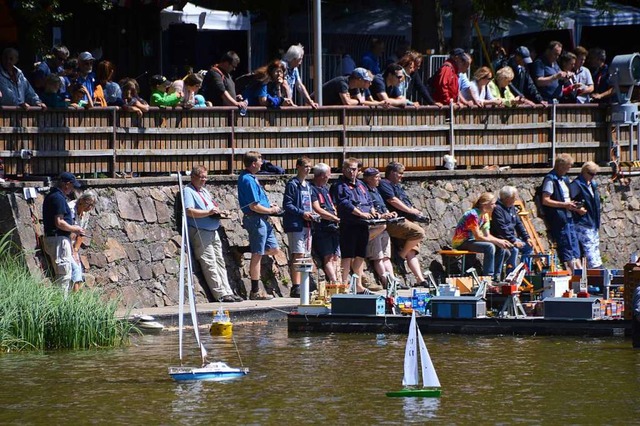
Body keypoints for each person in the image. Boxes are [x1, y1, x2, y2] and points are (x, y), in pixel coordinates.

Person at [183, 165, 242, 303]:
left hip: (213, 230)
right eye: (201, 177)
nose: (204, 180)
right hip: (200, 231)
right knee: (209, 262)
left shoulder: (204, 191)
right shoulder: (188, 191)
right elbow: (189, 211)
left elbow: (211, 208)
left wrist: (220, 213)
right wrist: (208, 213)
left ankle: (228, 291)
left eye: (205, 177)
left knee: (220, 261)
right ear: (193, 177)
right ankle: (220, 294)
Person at [237, 151, 281, 300]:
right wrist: (270, 210)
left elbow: (259, 202)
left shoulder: (252, 178)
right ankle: (255, 291)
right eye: (260, 161)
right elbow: (254, 206)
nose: (262, 163)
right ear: (254, 163)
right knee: (258, 254)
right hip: (255, 218)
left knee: (273, 249)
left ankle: (242, 250)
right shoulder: (247, 180)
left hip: (262, 218)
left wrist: (269, 205)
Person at [378, 161, 429, 287]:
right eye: (400, 173)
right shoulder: (384, 184)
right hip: (395, 222)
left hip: (405, 221)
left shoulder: (398, 186)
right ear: (391, 173)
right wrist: (410, 210)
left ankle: (420, 279)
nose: (402, 176)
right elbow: (392, 200)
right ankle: (400, 256)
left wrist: (417, 214)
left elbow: (406, 202)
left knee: (411, 251)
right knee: (419, 233)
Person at [330, 158, 375, 294]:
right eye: (349, 168)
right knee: (347, 255)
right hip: (348, 224)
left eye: (354, 169)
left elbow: (368, 200)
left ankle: (358, 284)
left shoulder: (361, 184)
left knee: (360, 255)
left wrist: (372, 211)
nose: (351, 171)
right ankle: (343, 284)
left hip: (363, 224)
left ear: (358, 170)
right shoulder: (339, 185)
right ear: (343, 169)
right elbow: (344, 204)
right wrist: (360, 213)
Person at [452, 192, 512, 281]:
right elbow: (478, 236)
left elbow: (487, 235)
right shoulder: (473, 215)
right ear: (485, 205)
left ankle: (496, 277)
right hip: (462, 242)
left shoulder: (485, 216)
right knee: (490, 247)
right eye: (492, 204)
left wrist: (500, 241)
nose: (495, 206)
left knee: (503, 249)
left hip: (472, 240)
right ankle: (488, 277)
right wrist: (496, 241)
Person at [42, 172, 85, 294]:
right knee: (63, 276)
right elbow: (59, 222)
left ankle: (61, 305)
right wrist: (74, 229)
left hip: (56, 239)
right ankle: (61, 307)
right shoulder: (58, 198)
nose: (72, 189)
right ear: (66, 184)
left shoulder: (53, 196)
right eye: (72, 186)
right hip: (58, 240)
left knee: (64, 274)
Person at [541, 153, 583, 273]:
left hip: (569, 216)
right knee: (566, 245)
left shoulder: (564, 179)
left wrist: (574, 206)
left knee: (574, 245)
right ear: (560, 166)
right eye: (567, 167)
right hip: (559, 218)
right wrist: (565, 205)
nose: (569, 169)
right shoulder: (550, 179)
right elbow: (546, 200)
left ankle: (580, 273)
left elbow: (566, 197)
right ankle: (573, 273)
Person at [282, 157, 316, 298]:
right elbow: (287, 204)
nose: (307, 169)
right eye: (305, 166)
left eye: (309, 167)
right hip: (296, 224)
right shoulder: (293, 184)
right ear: (298, 167)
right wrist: (302, 213)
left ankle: (304, 283)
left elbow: (312, 203)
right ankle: (295, 285)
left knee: (306, 254)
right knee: (298, 254)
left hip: (307, 224)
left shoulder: (308, 185)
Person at [362, 167, 397, 291]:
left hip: (384, 225)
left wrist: (388, 213)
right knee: (378, 256)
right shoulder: (365, 191)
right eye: (377, 177)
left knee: (386, 255)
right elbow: (371, 210)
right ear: (370, 178)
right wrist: (382, 216)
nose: (379, 179)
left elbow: (382, 206)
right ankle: (385, 280)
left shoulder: (376, 190)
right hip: (375, 226)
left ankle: (393, 279)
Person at [490, 186, 533, 275]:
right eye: (513, 198)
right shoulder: (497, 209)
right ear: (507, 198)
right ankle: (511, 275)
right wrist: (513, 240)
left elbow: (518, 224)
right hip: (501, 238)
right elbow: (502, 228)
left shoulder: (512, 207)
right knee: (514, 249)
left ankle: (524, 272)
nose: (515, 199)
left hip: (511, 237)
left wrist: (526, 237)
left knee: (528, 247)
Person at [310, 163, 341, 284]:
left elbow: (332, 206)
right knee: (327, 256)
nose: (330, 176)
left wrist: (337, 216)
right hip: (322, 227)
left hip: (333, 227)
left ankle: (337, 280)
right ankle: (334, 282)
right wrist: (333, 218)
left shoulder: (326, 188)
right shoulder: (312, 189)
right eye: (328, 174)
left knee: (336, 256)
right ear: (322, 175)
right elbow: (317, 209)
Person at [569, 161, 602, 268]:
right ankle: (598, 271)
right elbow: (568, 201)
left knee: (595, 247)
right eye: (591, 174)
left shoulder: (592, 185)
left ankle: (595, 272)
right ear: (584, 172)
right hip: (582, 222)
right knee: (589, 248)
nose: (593, 177)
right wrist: (578, 209)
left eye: (595, 174)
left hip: (593, 222)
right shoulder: (577, 184)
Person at [68, 191, 96, 292]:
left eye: (92, 205)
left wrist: (75, 250)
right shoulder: (70, 208)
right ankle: (76, 295)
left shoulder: (85, 214)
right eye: (89, 205)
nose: (90, 208)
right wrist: (71, 250)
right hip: (64, 241)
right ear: (82, 201)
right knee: (75, 267)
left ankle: (76, 295)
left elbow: (81, 234)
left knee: (78, 266)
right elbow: (67, 232)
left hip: (73, 243)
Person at [282, 44, 318, 108]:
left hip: (287, 102)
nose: (300, 62)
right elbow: (285, 85)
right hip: (279, 102)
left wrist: (310, 102)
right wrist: (291, 102)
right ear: (294, 59)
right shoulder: (282, 66)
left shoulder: (295, 69)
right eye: (300, 59)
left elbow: (300, 86)